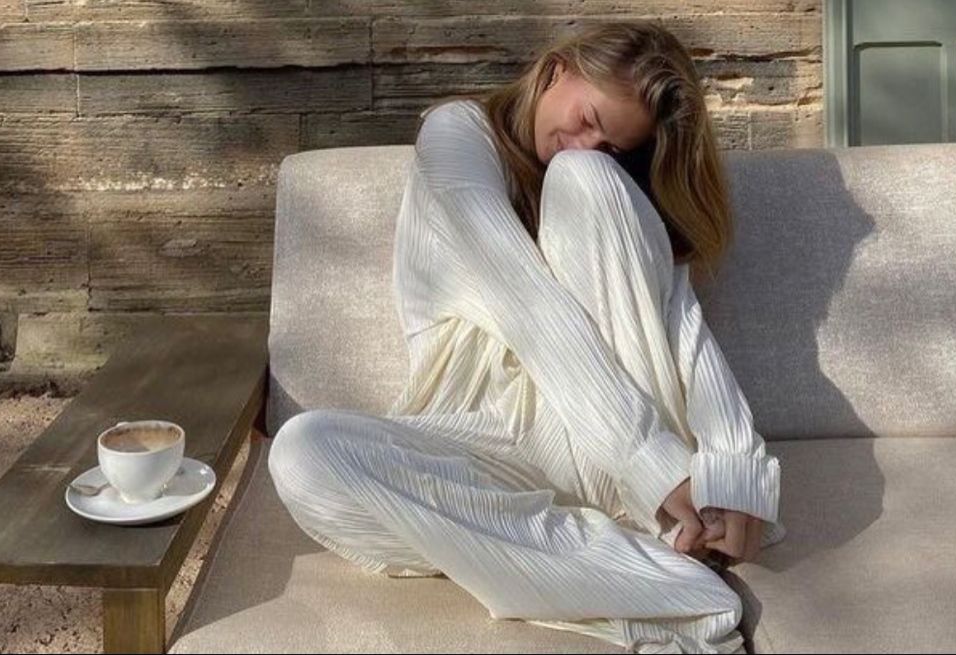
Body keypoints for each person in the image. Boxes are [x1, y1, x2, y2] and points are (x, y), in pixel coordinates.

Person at [268, 20, 786, 654]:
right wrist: (654, 465)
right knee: (304, 452)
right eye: (588, 117)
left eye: (612, 145)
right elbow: (528, 305)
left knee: (584, 180)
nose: (585, 143)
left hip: (606, 461)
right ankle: (662, 575)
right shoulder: (457, 134)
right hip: (486, 445)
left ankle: (588, 561)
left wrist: (735, 467)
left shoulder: (593, 180)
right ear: (557, 69)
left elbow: (677, 318)